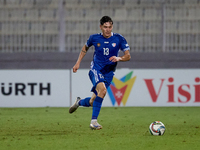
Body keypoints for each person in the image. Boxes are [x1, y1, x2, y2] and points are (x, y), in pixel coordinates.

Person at [69, 16, 131, 130]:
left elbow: (128, 56)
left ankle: (79, 102)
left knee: (93, 101)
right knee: (102, 90)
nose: (108, 29)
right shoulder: (94, 38)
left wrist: (119, 58)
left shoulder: (119, 38)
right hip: (96, 69)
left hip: (109, 73)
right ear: (101, 27)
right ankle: (94, 122)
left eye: (110, 27)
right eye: (105, 27)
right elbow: (85, 48)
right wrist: (78, 63)